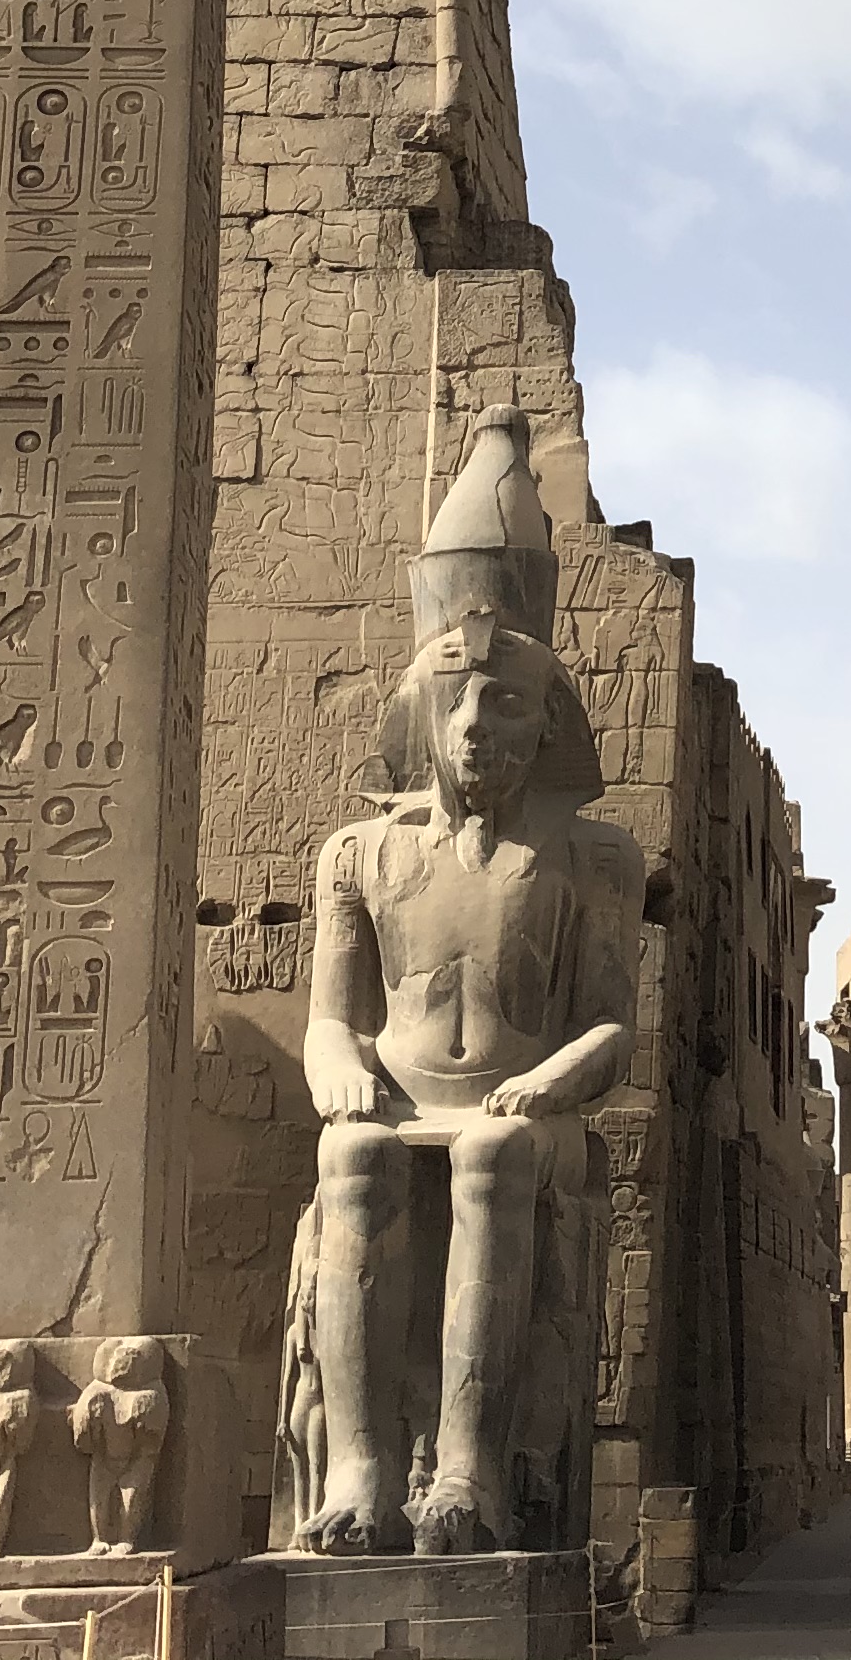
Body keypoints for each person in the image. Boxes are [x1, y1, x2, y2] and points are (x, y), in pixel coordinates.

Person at [284, 409, 637, 1557]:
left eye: (510, 704)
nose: (480, 723)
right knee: (353, 1157)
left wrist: (546, 1085)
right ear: (421, 717)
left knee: (490, 1154)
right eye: (459, 702)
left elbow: (609, 1027)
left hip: (521, 1108)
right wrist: (340, 1074)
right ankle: (361, 1468)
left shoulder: (590, 857)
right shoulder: (361, 855)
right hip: (396, 1098)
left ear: (550, 729)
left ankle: (470, 1472)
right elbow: (331, 1022)